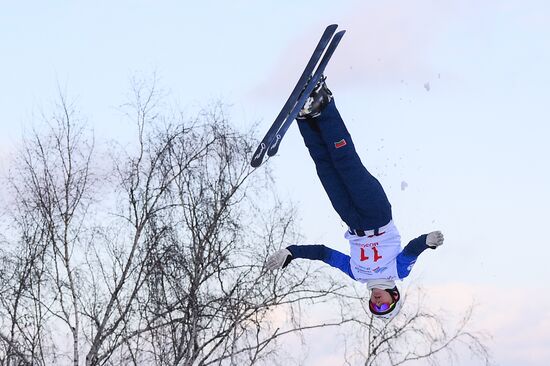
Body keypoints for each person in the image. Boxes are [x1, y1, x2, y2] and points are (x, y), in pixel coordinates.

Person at [266, 76, 444, 320]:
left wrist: (291, 252)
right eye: (384, 306)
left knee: (325, 167)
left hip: (352, 219)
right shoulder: (397, 271)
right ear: (394, 297)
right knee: (345, 161)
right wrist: (427, 241)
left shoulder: (357, 273)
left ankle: (305, 116)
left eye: (374, 307)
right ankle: (324, 103)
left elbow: (325, 254)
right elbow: (412, 250)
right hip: (377, 214)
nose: (377, 303)